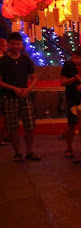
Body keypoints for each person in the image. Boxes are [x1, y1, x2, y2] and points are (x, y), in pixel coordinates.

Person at [0, 32, 40, 162]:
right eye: (12, 44)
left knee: (30, 125)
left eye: (18, 44)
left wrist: (28, 89)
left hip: (24, 95)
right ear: (8, 44)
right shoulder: (3, 61)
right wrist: (13, 88)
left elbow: (34, 78)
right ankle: (17, 153)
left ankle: (29, 151)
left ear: (21, 45)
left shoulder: (25, 59)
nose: (15, 46)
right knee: (12, 127)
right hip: (9, 97)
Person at [60, 49, 81, 157]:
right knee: (72, 124)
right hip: (72, 97)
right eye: (75, 58)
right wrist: (76, 78)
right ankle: (69, 148)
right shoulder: (68, 65)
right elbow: (63, 82)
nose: (77, 60)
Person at [0, 38, 8, 146]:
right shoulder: (3, 59)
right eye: (5, 45)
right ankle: (2, 136)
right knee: (2, 114)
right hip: (3, 89)